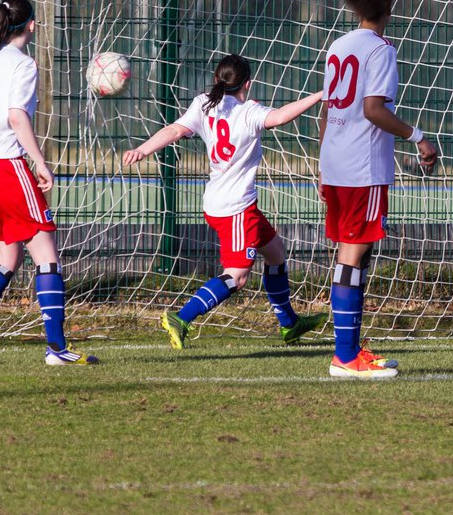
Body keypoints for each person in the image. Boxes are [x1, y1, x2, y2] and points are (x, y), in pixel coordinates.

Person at [123, 54, 326, 349]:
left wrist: (142, 149)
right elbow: (281, 116)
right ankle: (181, 317)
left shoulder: (204, 103)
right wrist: (320, 95)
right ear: (248, 84)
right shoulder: (249, 112)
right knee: (237, 277)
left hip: (220, 202)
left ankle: (290, 324)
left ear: (217, 79)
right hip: (236, 209)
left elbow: (174, 130)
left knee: (275, 252)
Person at [0, 0, 95, 366]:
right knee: (45, 252)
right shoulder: (23, 65)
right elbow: (16, 118)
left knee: (7, 255)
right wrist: (40, 162)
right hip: (2, 165)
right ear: (31, 26)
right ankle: (57, 349)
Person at [320, 0, 439, 380]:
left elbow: (329, 109)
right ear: (389, 2)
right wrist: (418, 136)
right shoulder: (381, 50)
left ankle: (349, 350)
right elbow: (373, 110)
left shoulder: (338, 45)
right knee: (354, 256)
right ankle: (346, 357)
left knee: (349, 255)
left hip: (335, 164)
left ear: (355, 3)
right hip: (361, 169)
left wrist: (322, 163)